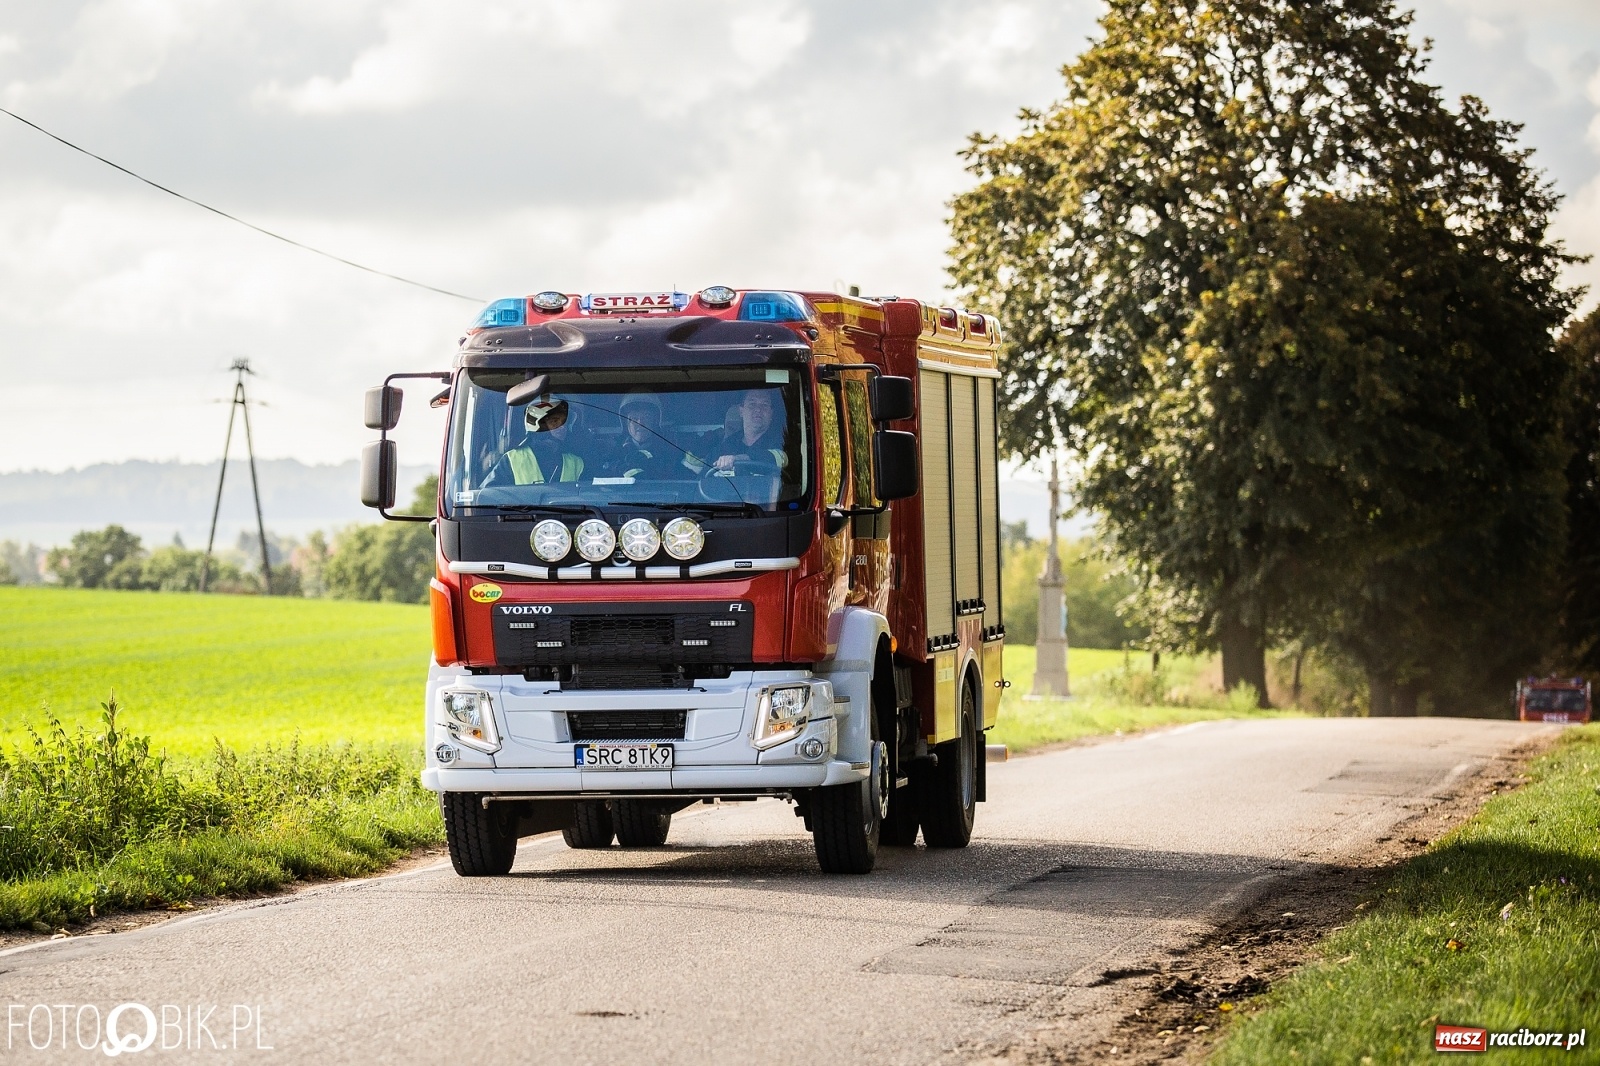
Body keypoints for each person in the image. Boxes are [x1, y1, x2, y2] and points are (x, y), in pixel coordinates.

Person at [488, 399, 585, 485]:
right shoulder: (511, 459)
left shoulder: (576, 462)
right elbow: (491, 496)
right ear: (538, 425)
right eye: (555, 421)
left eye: (564, 421)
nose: (562, 427)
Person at [606, 393, 682, 480]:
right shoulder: (613, 452)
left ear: (655, 421)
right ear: (626, 423)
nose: (640, 423)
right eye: (634, 418)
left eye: (646, 417)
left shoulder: (671, 451)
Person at [712, 390, 788, 472]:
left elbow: (780, 457)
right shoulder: (726, 447)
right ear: (741, 411)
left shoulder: (782, 441)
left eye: (764, 405)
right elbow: (702, 479)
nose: (758, 409)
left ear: (771, 413)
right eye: (752, 404)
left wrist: (737, 459)